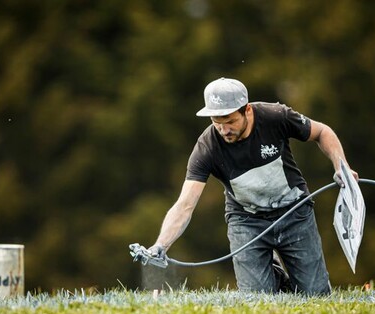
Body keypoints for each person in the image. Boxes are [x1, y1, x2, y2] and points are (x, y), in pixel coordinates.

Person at [146, 77, 358, 294]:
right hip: (246, 221)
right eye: (216, 122)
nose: (223, 129)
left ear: (247, 110)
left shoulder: (275, 117)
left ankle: (285, 276)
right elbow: (185, 204)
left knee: (316, 295)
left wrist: (341, 166)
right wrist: (161, 245)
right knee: (256, 299)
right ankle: (271, 274)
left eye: (229, 121)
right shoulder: (207, 147)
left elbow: (322, 132)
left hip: (294, 213)